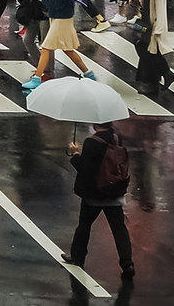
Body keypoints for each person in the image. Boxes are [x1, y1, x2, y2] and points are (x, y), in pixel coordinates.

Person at [62, 120, 135, 281]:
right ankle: (127, 263)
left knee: (85, 225)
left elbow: (85, 168)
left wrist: (75, 154)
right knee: (119, 228)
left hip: (94, 193)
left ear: (95, 125)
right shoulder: (117, 138)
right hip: (113, 190)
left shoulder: (91, 142)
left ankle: (78, 257)